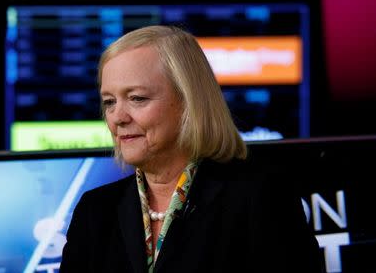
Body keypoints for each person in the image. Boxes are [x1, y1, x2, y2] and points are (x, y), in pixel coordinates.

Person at [60, 25, 323, 272]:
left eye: (137, 98)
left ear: (189, 102)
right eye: (109, 102)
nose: (117, 117)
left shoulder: (260, 195)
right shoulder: (94, 210)